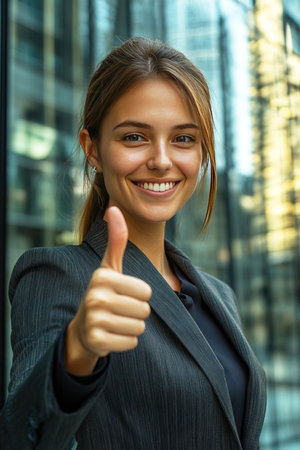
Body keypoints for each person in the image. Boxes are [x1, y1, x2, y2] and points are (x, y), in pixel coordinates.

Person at [0, 37, 266, 450]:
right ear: (93, 149)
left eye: (183, 139)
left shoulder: (220, 295)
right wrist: (76, 352)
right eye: (134, 137)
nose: (162, 159)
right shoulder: (58, 275)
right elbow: (20, 436)